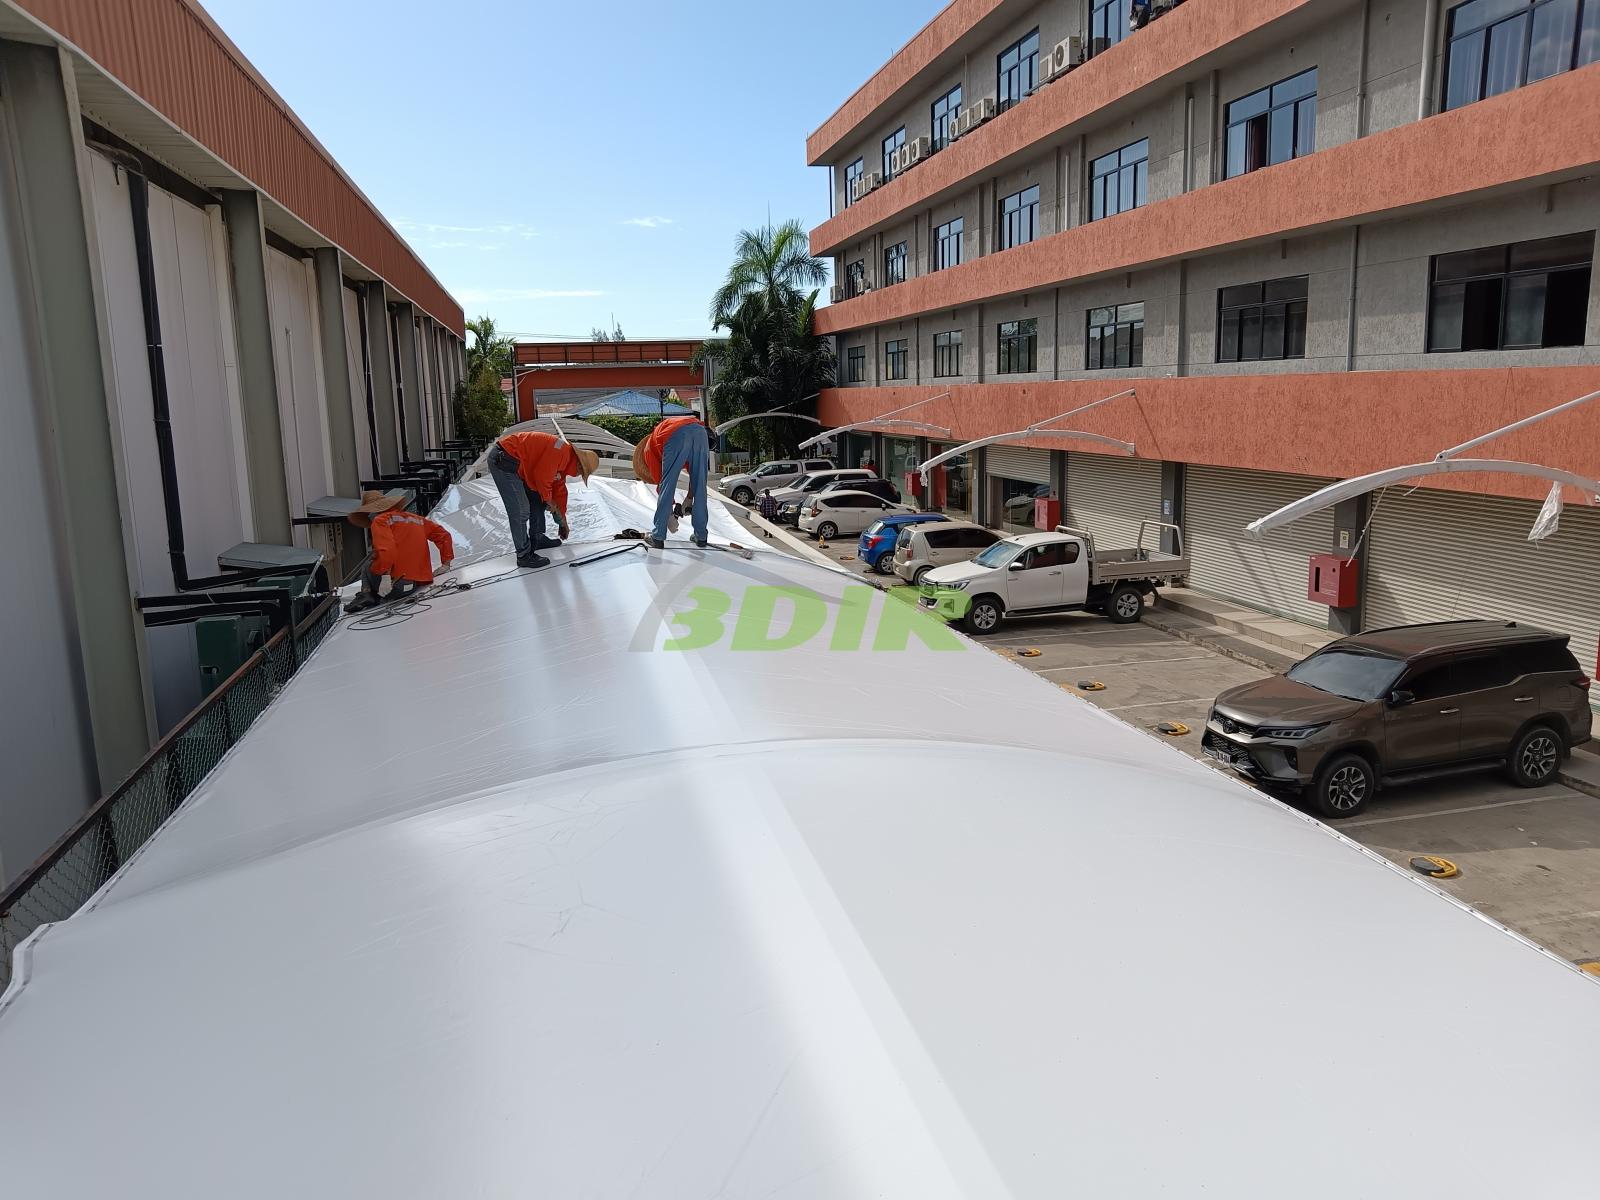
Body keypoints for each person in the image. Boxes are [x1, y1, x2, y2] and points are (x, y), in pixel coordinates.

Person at [488, 430, 598, 568]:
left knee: (538, 497)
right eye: (581, 472)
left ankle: (538, 538)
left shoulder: (564, 463)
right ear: (579, 465)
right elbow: (541, 477)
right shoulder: (561, 452)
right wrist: (549, 500)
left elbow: (559, 491)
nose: (578, 475)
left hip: (515, 462)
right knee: (521, 510)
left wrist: (563, 522)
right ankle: (524, 555)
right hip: (504, 460)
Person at [344, 491, 454, 614]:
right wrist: (446, 564)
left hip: (395, 585)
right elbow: (444, 535)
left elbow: (386, 549)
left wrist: (385, 577)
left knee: (367, 565)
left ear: (373, 512)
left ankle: (366, 594)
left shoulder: (380, 520)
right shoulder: (417, 519)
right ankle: (373, 595)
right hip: (415, 585)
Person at [632, 414, 710, 549]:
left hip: (676, 434)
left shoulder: (648, 451)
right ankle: (701, 535)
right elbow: (696, 477)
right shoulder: (660, 438)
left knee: (667, 484)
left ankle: (658, 536)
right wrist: (689, 498)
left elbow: (664, 486)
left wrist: (668, 517)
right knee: (701, 483)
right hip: (700, 432)